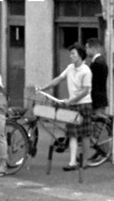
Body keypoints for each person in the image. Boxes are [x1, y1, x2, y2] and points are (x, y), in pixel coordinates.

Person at [34, 43, 93, 171]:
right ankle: (72, 162)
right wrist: (43, 88)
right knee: (72, 133)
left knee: (85, 134)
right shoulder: (70, 68)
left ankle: (85, 160)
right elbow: (58, 79)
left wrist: (71, 100)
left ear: (80, 56)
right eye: (70, 53)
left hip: (84, 105)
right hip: (72, 105)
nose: (71, 56)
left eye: (73, 54)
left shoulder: (86, 71)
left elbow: (86, 91)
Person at [84, 38, 109, 164]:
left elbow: (93, 83)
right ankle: (100, 152)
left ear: (93, 48)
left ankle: (104, 152)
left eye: (87, 47)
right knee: (98, 126)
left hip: (97, 99)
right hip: (98, 98)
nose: (86, 50)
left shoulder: (98, 63)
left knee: (100, 126)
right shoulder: (98, 61)